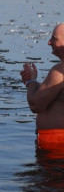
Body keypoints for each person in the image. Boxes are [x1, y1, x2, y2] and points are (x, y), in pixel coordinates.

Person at [21, 22, 64, 151]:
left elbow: (36, 105)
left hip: (55, 145)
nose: (49, 42)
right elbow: (56, 94)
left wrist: (30, 82)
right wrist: (38, 85)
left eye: (54, 39)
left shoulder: (59, 71)